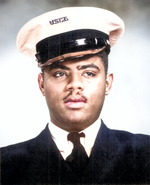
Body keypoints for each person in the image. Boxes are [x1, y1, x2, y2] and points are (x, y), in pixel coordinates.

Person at [1, 7, 150, 185]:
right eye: (59, 74)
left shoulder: (145, 153)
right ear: (42, 84)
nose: (74, 84)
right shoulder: (5, 165)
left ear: (107, 83)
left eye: (88, 73)